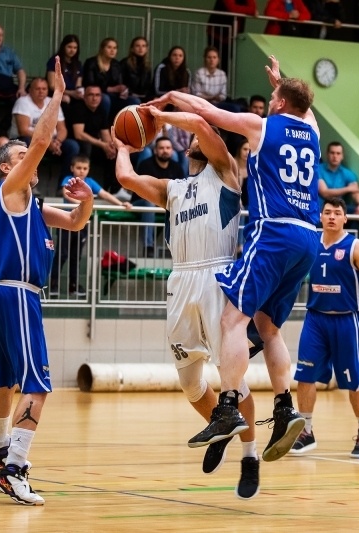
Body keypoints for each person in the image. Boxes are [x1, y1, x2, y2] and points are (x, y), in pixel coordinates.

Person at [150, 55, 320, 464]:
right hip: (308, 239)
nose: (269, 97)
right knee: (270, 328)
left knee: (233, 320)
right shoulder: (312, 132)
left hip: (274, 231)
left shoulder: (263, 126)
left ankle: (226, 406)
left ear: (278, 104)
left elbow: (209, 113)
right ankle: (284, 408)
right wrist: (286, 83)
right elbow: (305, 108)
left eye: (273, 94)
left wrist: (170, 98)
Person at [114, 106, 263, 499]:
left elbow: (199, 123)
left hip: (217, 278)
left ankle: (250, 456)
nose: (196, 139)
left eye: (205, 136)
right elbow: (125, 177)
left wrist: (160, 115)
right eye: (196, 138)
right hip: (181, 280)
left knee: (233, 378)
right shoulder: (173, 189)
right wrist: (122, 143)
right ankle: (221, 424)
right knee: (190, 383)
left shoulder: (226, 171)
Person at [0, 58, 95, 506]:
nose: (28, 157)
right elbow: (44, 139)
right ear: (8, 167)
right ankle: (15, 468)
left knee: (3, 379)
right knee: (38, 384)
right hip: (14, 291)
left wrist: (86, 201)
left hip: (5, 293)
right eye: (18, 155)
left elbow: (74, 222)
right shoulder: (10, 190)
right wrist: (56, 95)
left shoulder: (31, 205)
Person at [290, 197, 359, 458]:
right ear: (320, 216)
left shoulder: (355, 247)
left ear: (345, 218)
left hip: (346, 320)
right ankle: (306, 431)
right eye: (327, 212)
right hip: (315, 318)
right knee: (304, 375)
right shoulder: (310, 241)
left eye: (337, 213)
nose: (331, 217)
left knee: (354, 381)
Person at [50, 154, 131, 297]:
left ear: (88, 169)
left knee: (76, 256)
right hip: (66, 222)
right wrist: (83, 204)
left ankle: (73, 286)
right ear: (72, 168)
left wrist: (121, 203)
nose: (81, 171)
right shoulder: (68, 180)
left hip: (82, 223)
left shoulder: (90, 182)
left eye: (85, 168)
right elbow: (67, 194)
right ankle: (54, 285)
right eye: (78, 168)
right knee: (62, 255)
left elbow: (104, 194)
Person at [8, 77, 79, 179]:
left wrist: (57, 141)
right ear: (30, 90)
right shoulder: (23, 102)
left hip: (50, 142)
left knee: (72, 146)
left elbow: (62, 129)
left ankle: (64, 185)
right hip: (28, 140)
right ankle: (28, 181)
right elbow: (23, 130)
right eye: (37, 89)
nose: (41, 91)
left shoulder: (53, 102)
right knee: (26, 143)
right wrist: (48, 142)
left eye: (44, 89)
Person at [133, 137, 185, 257]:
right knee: (149, 202)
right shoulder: (145, 165)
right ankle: (148, 246)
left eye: (168, 148)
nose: (165, 151)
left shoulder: (176, 167)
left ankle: (179, 247)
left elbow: (182, 190)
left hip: (166, 203)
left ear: (172, 151)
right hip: (140, 203)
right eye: (161, 148)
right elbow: (142, 190)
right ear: (155, 150)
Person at [82, 38, 139, 119]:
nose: (112, 50)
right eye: (109, 47)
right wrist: (110, 89)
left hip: (114, 96)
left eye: (115, 48)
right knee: (105, 99)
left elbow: (120, 83)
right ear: (102, 49)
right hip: (97, 94)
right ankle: (104, 127)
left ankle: (127, 127)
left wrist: (124, 90)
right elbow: (89, 83)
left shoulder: (116, 64)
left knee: (135, 101)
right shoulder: (92, 62)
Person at [206, 0, 258, 73]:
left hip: (232, 36)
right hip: (217, 33)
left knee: (226, 66)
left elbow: (253, 8)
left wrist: (250, 10)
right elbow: (232, 9)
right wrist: (249, 10)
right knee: (213, 63)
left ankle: (223, 83)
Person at [317, 141, 359, 218]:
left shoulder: (347, 173)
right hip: (321, 208)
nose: (335, 156)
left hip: (339, 208)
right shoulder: (318, 169)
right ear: (327, 154)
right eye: (332, 153)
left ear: (342, 156)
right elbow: (324, 193)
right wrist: (348, 189)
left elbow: (355, 191)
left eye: (338, 153)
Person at [191, 46, 240, 113]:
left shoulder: (222, 74)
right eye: (209, 57)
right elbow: (196, 94)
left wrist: (211, 97)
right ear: (205, 59)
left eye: (214, 57)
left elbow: (223, 95)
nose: (212, 60)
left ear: (218, 60)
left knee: (236, 108)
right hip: (202, 104)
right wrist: (212, 97)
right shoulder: (199, 73)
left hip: (217, 104)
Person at [46, 35, 83, 108]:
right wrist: (70, 93)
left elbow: (78, 85)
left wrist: (80, 92)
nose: (72, 50)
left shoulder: (78, 64)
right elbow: (52, 86)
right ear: (63, 47)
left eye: (75, 48)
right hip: (56, 94)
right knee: (65, 102)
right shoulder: (55, 61)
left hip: (73, 94)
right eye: (69, 47)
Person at [121, 36, 153, 103]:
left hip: (144, 96)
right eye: (137, 46)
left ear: (146, 49)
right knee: (136, 101)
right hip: (129, 96)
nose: (141, 48)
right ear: (132, 49)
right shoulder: (125, 63)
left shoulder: (147, 65)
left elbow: (149, 86)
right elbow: (122, 84)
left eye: (143, 46)